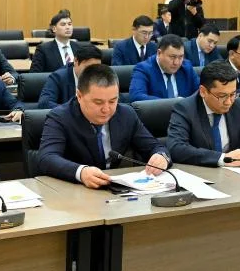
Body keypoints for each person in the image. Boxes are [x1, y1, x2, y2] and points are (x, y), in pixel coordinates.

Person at [37, 65, 170, 189]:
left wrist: (161, 157)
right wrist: (81, 172)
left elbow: (155, 147)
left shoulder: (126, 115)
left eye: (112, 101)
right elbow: (46, 158)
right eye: (98, 102)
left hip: (114, 191)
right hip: (73, 191)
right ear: (79, 96)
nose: (106, 109)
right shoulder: (60, 118)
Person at [167, 61, 240, 167]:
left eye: (233, 94)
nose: (229, 102)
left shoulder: (239, 106)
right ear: (203, 91)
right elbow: (176, 148)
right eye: (222, 96)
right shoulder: (185, 109)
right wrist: (223, 158)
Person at [129, 35, 201, 101]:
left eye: (180, 57)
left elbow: (200, 91)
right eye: (172, 57)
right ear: (159, 53)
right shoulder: (143, 69)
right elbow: (136, 96)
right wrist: (171, 103)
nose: (176, 62)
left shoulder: (186, 67)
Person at [37, 44, 103, 109]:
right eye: (88, 68)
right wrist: (71, 111)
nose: (92, 72)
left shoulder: (101, 77)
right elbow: (44, 103)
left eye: (96, 68)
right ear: (76, 61)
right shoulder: (58, 77)